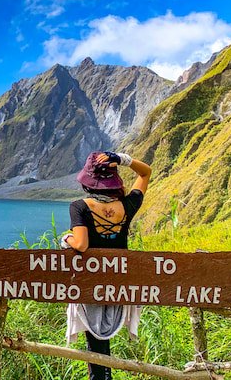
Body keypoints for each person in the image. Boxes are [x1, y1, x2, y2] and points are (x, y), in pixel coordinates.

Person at [59, 151, 151, 380]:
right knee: (103, 341)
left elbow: (81, 244)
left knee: (95, 343)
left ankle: (101, 378)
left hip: (91, 282)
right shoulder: (128, 205)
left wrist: (65, 239)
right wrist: (123, 159)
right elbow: (146, 172)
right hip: (119, 281)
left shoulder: (79, 207)